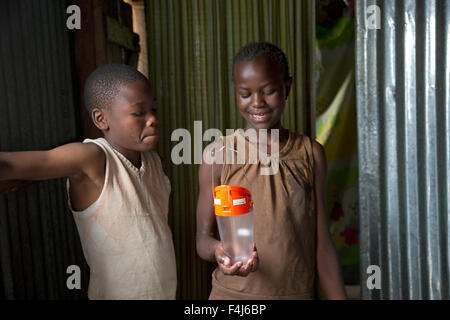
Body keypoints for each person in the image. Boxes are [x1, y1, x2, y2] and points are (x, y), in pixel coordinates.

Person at [0, 64, 177, 300]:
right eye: (139, 113)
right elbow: (16, 164)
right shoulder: (93, 158)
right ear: (101, 119)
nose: (153, 119)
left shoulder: (153, 162)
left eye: (154, 109)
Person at [196, 42, 347, 300]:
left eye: (269, 91)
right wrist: (219, 251)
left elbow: (322, 245)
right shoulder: (218, 156)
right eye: (245, 94)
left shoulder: (310, 154)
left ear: (287, 87)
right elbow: (202, 239)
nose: (257, 102)